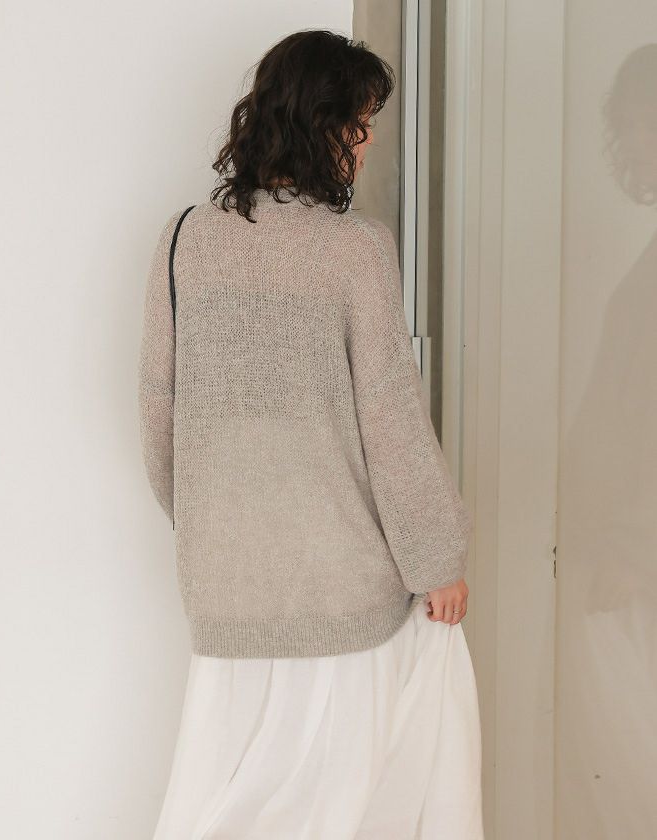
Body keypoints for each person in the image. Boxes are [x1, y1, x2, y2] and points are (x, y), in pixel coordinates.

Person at [138, 28, 484, 840]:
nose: (366, 144)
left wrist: (218, 528)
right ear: (320, 124)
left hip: (226, 589)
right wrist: (438, 560)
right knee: (354, 804)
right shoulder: (355, 250)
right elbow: (391, 417)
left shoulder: (183, 239)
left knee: (229, 809)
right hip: (342, 590)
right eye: (359, 124)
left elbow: (158, 411)